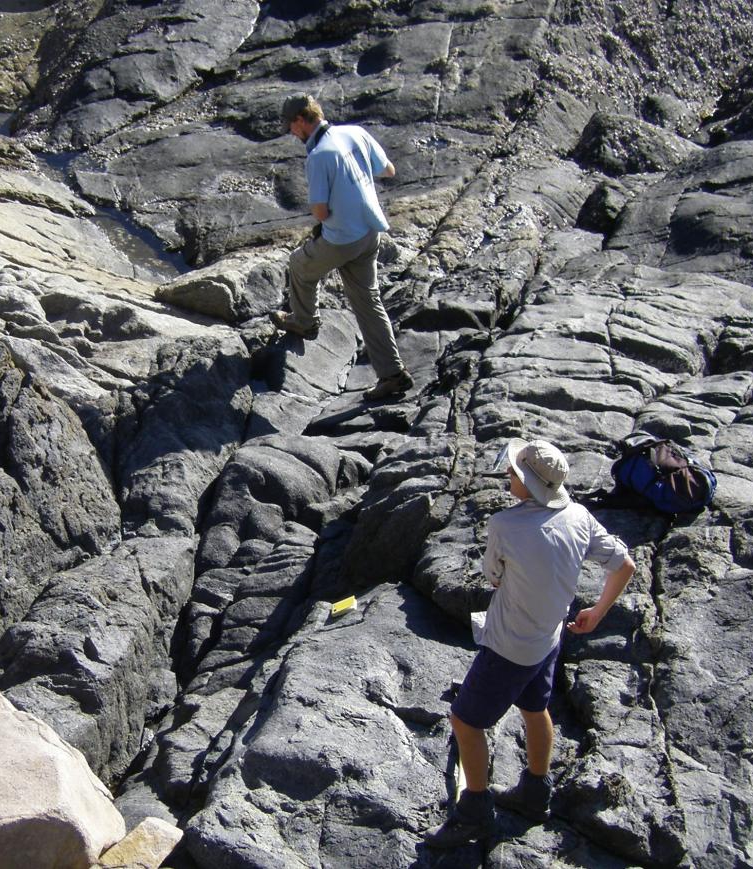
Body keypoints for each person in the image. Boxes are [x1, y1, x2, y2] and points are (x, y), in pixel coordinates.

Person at [424, 438, 636, 849]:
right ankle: (535, 793)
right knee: (535, 708)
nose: (509, 476)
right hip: (549, 637)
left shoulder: (505, 525)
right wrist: (597, 612)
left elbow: (494, 577)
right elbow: (624, 564)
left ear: (529, 485)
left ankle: (474, 814)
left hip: (509, 645)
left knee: (465, 722)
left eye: (515, 473)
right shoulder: (578, 515)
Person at [271, 94, 414, 401]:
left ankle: (304, 322)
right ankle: (392, 374)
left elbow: (321, 212)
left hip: (341, 239)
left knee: (299, 265)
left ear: (300, 120)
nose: (292, 133)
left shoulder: (320, 155)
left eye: (291, 127)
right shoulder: (355, 133)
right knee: (368, 300)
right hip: (369, 233)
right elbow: (388, 170)